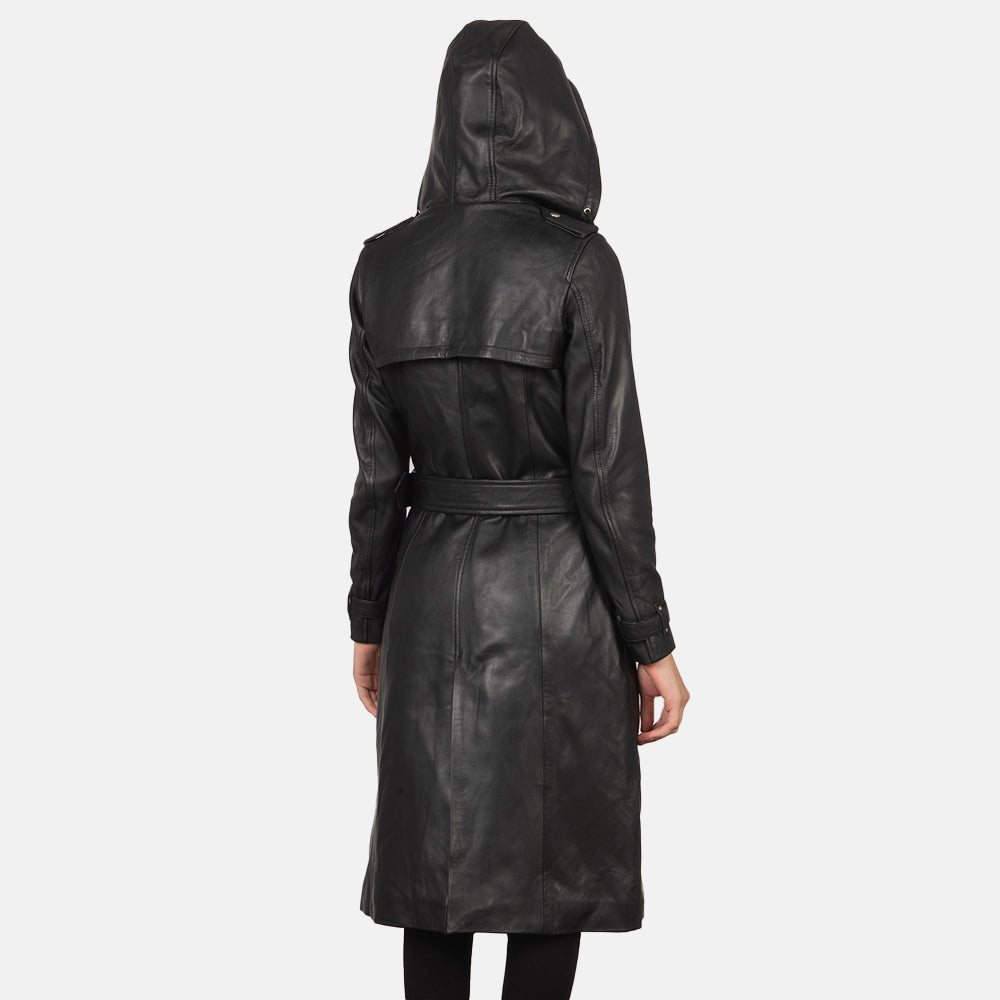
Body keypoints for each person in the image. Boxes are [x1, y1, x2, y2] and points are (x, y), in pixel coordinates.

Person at [347, 19, 691, 1000]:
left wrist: (369, 619)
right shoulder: (581, 263)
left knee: (434, 868)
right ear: (555, 120)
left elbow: (377, 475)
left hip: (427, 594)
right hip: (559, 599)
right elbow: (609, 474)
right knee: (553, 866)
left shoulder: (383, 265)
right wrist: (653, 643)